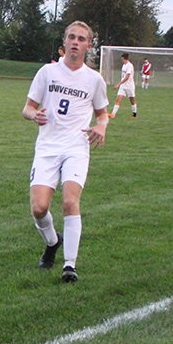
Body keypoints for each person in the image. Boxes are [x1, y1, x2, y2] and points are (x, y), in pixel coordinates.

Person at [21, 21, 109, 283]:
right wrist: (33, 115)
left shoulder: (94, 79)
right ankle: (52, 243)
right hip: (47, 147)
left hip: (76, 147)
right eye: (71, 37)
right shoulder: (47, 72)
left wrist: (101, 127)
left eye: (81, 38)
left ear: (88, 45)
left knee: (70, 201)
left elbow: (103, 115)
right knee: (39, 208)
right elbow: (26, 108)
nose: (75, 42)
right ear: (65, 41)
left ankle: (69, 265)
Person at [109, 52, 136, 118]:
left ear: (123, 58)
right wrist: (121, 84)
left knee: (132, 100)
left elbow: (127, 77)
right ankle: (113, 114)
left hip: (129, 85)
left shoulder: (130, 65)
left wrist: (118, 84)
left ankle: (134, 114)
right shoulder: (124, 65)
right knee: (118, 99)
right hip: (123, 85)